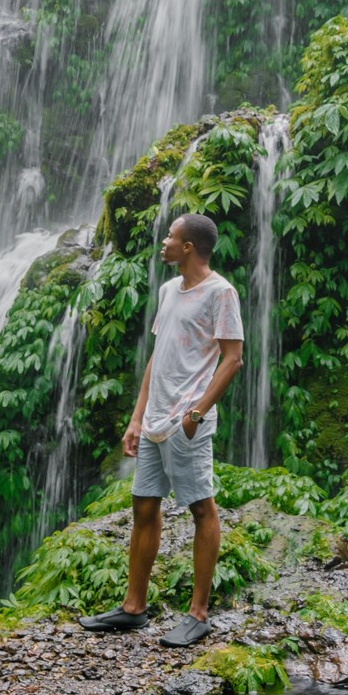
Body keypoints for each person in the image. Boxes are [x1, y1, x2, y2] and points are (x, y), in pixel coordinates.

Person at [80, 212, 243, 647]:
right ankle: (134, 608)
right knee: (144, 507)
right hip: (154, 418)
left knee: (201, 509)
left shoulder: (221, 293)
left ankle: (199, 613)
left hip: (187, 422)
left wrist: (197, 413)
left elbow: (232, 359)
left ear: (188, 247)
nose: (164, 242)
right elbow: (159, 354)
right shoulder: (170, 289)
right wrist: (137, 417)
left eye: (170, 237)